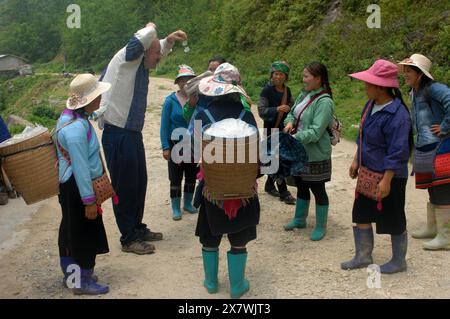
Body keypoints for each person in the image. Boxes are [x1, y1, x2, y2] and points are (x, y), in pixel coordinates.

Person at [96, 22, 187, 255]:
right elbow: (142, 41)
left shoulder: (142, 62)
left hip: (132, 133)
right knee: (124, 187)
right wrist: (152, 27)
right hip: (117, 133)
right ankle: (128, 238)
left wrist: (167, 41)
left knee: (138, 183)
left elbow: (154, 50)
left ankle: (137, 228)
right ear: (144, 49)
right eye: (157, 53)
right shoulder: (127, 58)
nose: (160, 59)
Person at [193, 63, 260, 299]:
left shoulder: (202, 114)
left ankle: (211, 282)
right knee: (239, 238)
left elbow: (194, 150)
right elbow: (256, 154)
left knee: (210, 237)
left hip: (212, 187)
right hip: (243, 190)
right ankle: (237, 285)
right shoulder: (247, 115)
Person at [341, 60, 412, 274]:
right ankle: (363, 256)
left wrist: (387, 180)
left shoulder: (398, 115)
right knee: (361, 214)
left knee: (393, 217)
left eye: (368, 84)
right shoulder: (370, 105)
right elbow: (363, 136)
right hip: (368, 171)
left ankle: (399, 261)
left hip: (390, 176)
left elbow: (398, 151)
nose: (365, 87)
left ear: (381, 86)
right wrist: (356, 159)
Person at [55, 74, 111, 294]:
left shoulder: (67, 118)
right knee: (83, 235)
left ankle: (71, 276)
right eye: (98, 95)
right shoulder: (77, 129)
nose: (100, 98)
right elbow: (80, 167)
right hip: (79, 187)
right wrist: (89, 201)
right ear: (88, 100)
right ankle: (82, 281)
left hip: (69, 185)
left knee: (69, 230)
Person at [399, 54, 450, 250]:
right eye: (405, 71)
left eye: (409, 71)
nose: (405, 75)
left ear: (420, 74)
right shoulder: (415, 92)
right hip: (425, 146)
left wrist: (445, 126)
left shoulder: (434, 89)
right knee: (432, 187)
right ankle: (433, 227)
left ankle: (446, 236)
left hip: (441, 145)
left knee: (442, 189)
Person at [283, 62, 335, 241]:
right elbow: (292, 114)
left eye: (306, 76)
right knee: (301, 185)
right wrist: (289, 122)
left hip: (315, 154)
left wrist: (293, 138)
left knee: (318, 188)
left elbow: (316, 131)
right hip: (299, 151)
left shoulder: (325, 102)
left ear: (318, 79)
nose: (303, 79)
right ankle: (299, 219)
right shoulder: (303, 94)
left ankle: (321, 226)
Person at [160, 65, 198, 220]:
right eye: (184, 80)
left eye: (190, 80)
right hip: (175, 143)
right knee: (175, 177)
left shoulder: (197, 99)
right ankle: (176, 208)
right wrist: (165, 147)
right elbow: (164, 126)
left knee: (191, 175)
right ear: (178, 82)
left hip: (193, 144)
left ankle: (188, 204)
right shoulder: (170, 101)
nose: (187, 83)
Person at [257, 61, 296, 205]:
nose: (278, 77)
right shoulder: (266, 91)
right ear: (272, 75)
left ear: (286, 77)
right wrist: (277, 109)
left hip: (284, 130)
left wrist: (289, 109)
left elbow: (293, 106)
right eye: (276, 74)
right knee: (276, 160)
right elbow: (261, 111)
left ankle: (268, 184)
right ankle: (284, 192)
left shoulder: (288, 91)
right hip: (270, 130)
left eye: (281, 74)